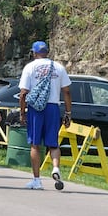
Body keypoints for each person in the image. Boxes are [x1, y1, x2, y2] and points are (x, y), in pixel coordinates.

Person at [19, 40, 72, 190]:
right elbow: (67, 91)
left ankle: (37, 180)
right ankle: (55, 168)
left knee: (35, 144)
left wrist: (22, 113)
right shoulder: (59, 67)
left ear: (34, 53)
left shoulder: (30, 67)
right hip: (53, 107)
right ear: (47, 52)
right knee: (53, 143)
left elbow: (23, 93)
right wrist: (68, 112)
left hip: (36, 108)